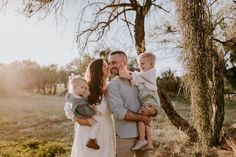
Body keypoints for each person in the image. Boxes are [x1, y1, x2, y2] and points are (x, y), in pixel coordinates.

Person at [107, 51, 158, 157]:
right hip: (125, 136)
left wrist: (154, 111)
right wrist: (142, 118)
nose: (110, 66)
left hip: (144, 136)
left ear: (124, 62)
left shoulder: (140, 78)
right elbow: (118, 112)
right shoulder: (113, 85)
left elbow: (152, 98)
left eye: (113, 63)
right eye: (110, 63)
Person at [64, 59, 115, 157]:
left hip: (106, 127)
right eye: (104, 66)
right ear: (97, 70)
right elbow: (72, 105)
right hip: (89, 129)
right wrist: (77, 119)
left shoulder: (111, 86)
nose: (108, 67)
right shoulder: (86, 87)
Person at [118, 52, 160, 150]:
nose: (140, 66)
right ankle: (149, 143)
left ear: (151, 65)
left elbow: (130, 76)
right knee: (146, 120)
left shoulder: (149, 73)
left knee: (141, 118)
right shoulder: (146, 74)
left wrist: (122, 70)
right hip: (150, 100)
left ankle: (142, 140)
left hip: (150, 99)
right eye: (139, 63)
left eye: (143, 63)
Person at [67, 76, 101, 150]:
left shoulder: (74, 96)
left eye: (85, 88)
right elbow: (88, 113)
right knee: (97, 125)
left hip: (81, 114)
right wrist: (94, 111)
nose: (84, 90)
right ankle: (91, 141)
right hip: (82, 117)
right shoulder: (80, 103)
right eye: (82, 87)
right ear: (74, 87)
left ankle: (91, 140)